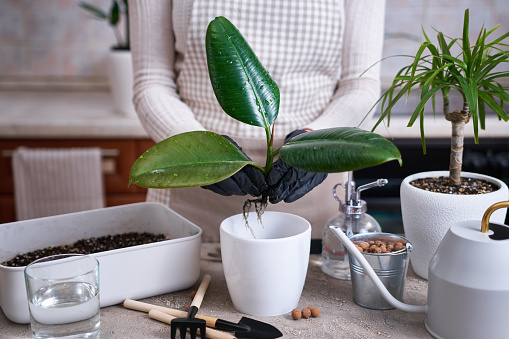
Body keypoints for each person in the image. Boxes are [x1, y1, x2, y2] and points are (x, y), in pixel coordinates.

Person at [128, 0, 386, 242]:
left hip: (311, 181)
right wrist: (197, 148)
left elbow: (360, 84)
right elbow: (152, 81)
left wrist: (316, 142)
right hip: (195, 177)